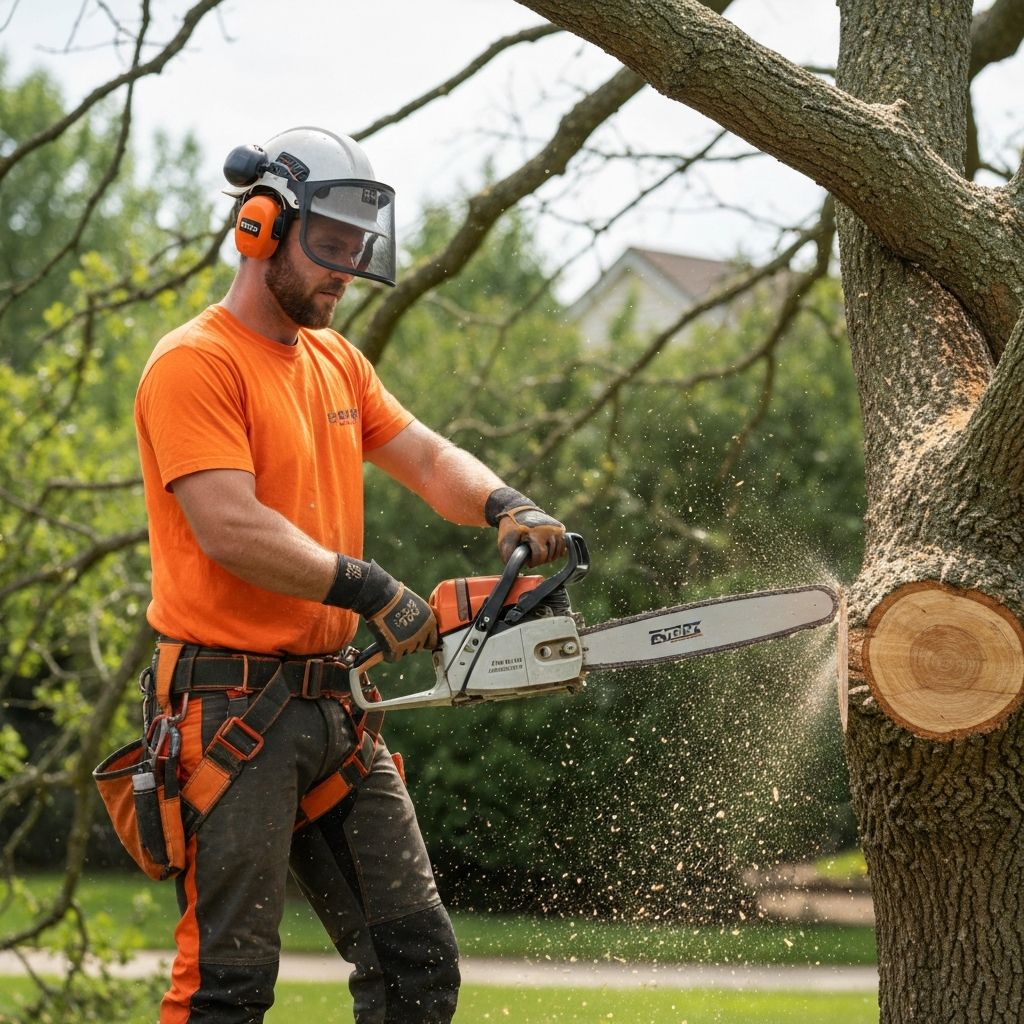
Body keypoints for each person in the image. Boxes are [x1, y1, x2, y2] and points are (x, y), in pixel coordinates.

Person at [133, 125, 567, 1024]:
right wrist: (369, 587)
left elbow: (423, 454)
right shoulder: (195, 363)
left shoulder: (336, 360)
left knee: (416, 963)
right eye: (327, 246)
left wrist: (505, 504)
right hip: (229, 714)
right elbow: (228, 526)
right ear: (260, 229)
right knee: (228, 985)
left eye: (355, 248)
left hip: (334, 708)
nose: (344, 269)